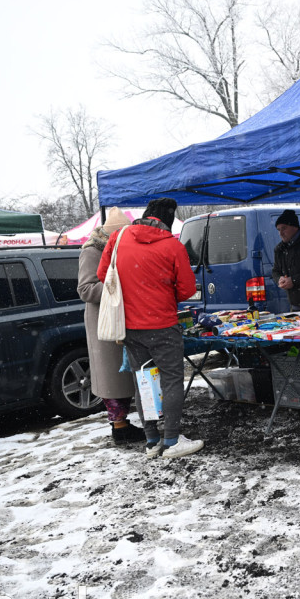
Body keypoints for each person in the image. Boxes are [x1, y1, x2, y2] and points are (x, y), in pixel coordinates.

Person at [97, 197, 202, 459]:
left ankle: (152, 440)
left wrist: (134, 287)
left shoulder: (118, 239)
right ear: (167, 221)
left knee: (143, 379)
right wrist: (161, 290)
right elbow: (188, 290)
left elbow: (103, 275)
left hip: (130, 327)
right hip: (163, 325)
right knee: (171, 380)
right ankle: (173, 440)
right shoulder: (172, 246)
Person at [77, 207, 145, 444]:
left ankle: (124, 424)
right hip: (104, 322)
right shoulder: (92, 251)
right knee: (112, 377)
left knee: (125, 375)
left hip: (124, 319)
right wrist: (118, 285)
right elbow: (85, 289)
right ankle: (120, 427)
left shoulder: (121, 247)